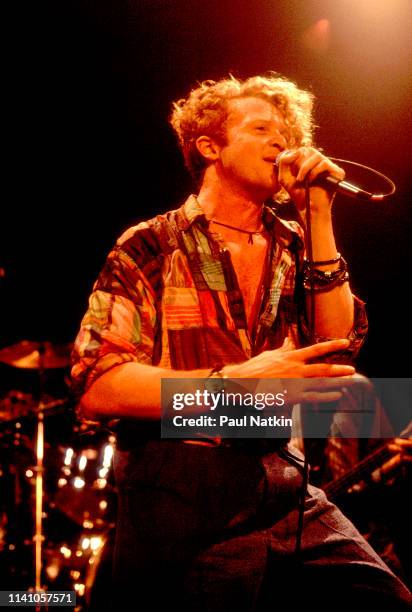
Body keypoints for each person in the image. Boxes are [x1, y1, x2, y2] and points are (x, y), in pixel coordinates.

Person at [71, 74, 412, 610]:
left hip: (286, 483)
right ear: (210, 146)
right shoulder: (152, 244)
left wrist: (319, 215)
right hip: (183, 481)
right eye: (262, 129)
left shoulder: (295, 244)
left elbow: (339, 347)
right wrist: (231, 385)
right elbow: (100, 385)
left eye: (287, 132)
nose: (283, 141)